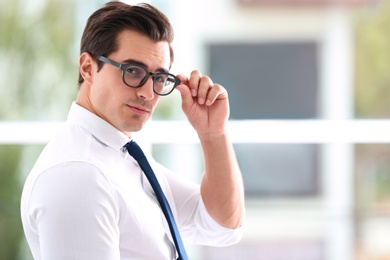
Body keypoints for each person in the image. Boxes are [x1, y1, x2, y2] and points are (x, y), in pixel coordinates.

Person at [20, 1, 245, 259]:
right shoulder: (79, 174)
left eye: (159, 77)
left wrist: (213, 134)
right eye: (133, 71)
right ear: (87, 68)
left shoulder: (123, 156)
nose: (148, 93)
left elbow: (221, 226)